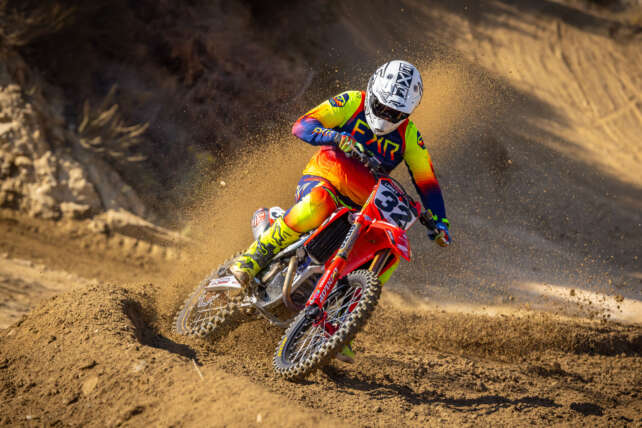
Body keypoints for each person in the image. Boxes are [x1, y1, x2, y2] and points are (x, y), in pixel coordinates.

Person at [229, 60, 451, 361]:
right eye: (382, 107)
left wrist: (440, 222)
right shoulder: (351, 102)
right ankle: (252, 259)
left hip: (363, 206)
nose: (387, 117)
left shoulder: (410, 135)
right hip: (324, 179)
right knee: (319, 204)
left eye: (396, 114)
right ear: (372, 91)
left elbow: (427, 181)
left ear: (408, 113)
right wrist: (334, 136)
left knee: (388, 252)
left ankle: (341, 326)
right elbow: (302, 125)